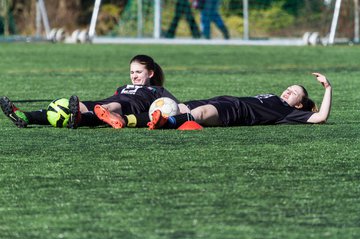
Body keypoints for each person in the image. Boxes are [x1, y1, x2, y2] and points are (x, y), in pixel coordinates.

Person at [0, 55, 180, 129]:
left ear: (150, 73)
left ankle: (86, 116)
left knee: (114, 105)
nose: (134, 76)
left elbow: (175, 106)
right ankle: (25, 116)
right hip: (108, 101)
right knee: (70, 107)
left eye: (138, 72)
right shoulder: (124, 87)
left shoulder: (157, 90)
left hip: (127, 106)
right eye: (132, 72)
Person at [148, 72, 332, 129]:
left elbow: (321, 117)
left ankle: (166, 122)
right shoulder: (274, 97)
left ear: (299, 104)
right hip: (227, 100)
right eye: (288, 88)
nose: (287, 92)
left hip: (236, 112)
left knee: (201, 113)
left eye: (293, 93)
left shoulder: (288, 113)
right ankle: (134, 120)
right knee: (181, 106)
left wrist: (328, 88)